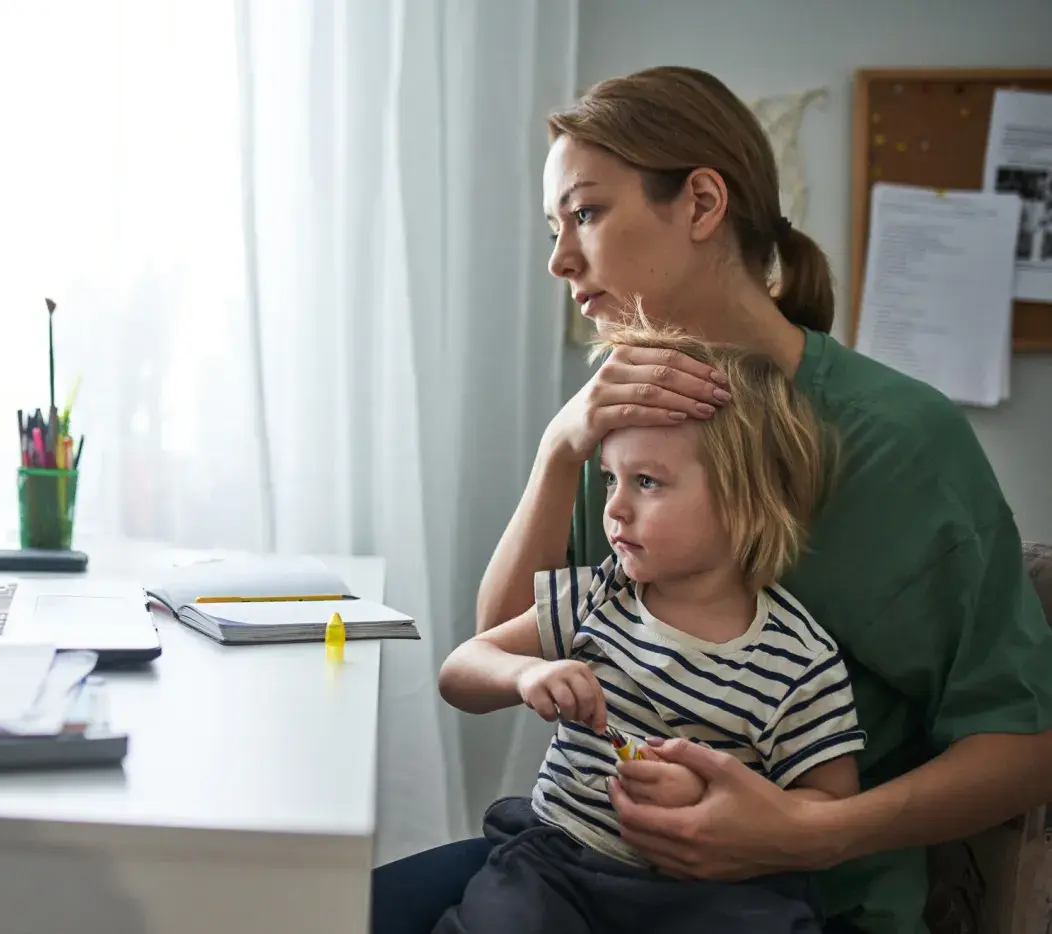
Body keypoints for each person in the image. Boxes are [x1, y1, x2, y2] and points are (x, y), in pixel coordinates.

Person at [370, 65, 1052, 934]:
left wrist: (811, 832)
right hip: (584, 864)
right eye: (554, 226)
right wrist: (558, 448)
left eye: (584, 213)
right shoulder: (620, 417)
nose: (559, 258)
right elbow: (497, 642)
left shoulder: (904, 441)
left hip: (801, 901)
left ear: (700, 204)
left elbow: (1028, 746)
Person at [433, 317, 862, 933]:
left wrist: (730, 804)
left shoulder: (800, 661)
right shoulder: (601, 594)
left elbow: (829, 807)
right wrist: (527, 673)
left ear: (744, 502)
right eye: (611, 478)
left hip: (708, 894)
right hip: (560, 864)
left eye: (647, 482)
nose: (613, 506)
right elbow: (459, 672)